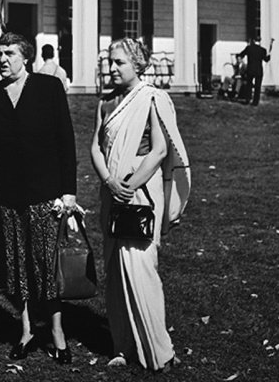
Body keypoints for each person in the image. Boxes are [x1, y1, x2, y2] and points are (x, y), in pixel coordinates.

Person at [0, 32, 77, 364]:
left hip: (46, 191)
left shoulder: (48, 89)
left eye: (10, 53)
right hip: (10, 193)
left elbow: (66, 140)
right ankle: (27, 329)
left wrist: (69, 190)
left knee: (47, 265)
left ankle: (57, 332)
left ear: (26, 57)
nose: (2, 59)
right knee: (18, 266)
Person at [90, 38, 191, 372]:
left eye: (119, 62)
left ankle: (159, 350)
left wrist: (129, 185)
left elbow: (160, 150)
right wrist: (109, 182)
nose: (112, 68)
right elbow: (95, 148)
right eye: (110, 61)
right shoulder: (105, 102)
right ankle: (122, 346)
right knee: (115, 272)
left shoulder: (152, 98)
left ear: (138, 64)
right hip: (111, 192)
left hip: (140, 194)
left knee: (142, 269)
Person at [238, 36, 271, 106]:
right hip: (258, 70)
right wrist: (269, 56)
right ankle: (255, 102)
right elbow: (266, 59)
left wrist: (242, 62)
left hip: (250, 69)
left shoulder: (249, 48)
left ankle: (247, 99)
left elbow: (241, 55)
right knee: (257, 86)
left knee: (249, 85)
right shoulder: (263, 50)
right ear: (260, 41)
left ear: (253, 40)